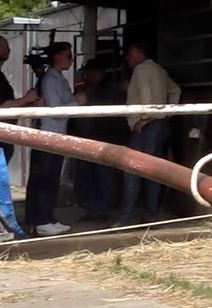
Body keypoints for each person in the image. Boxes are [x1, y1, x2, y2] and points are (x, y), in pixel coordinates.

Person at [114, 41, 180, 227]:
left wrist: (144, 117)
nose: (127, 58)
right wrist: (166, 113)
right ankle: (151, 214)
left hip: (146, 126)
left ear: (136, 51)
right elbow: (175, 90)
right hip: (160, 125)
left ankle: (124, 218)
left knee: (132, 170)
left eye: (129, 53)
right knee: (153, 171)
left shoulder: (141, 70)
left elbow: (145, 93)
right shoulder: (160, 70)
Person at [25, 42, 74, 236]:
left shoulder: (58, 79)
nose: (71, 59)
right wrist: (78, 103)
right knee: (45, 178)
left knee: (52, 178)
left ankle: (48, 216)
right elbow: (55, 108)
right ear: (57, 57)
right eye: (68, 55)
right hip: (48, 134)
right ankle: (41, 220)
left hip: (57, 134)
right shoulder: (51, 80)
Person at [70, 58, 124, 223]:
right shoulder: (83, 89)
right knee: (85, 176)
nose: (90, 75)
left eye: (93, 72)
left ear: (101, 73)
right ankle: (91, 209)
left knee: (103, 176)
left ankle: (101, 209)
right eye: (88, 73)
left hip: (103, 139)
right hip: (85, 139)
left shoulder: (110, 90)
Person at [0, 36, 40, 240]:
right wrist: (26, 99)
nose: (9, 50)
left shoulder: (1, 75)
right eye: (5, 46)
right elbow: (1, 107)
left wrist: (26, 104)